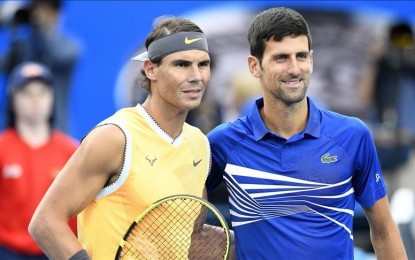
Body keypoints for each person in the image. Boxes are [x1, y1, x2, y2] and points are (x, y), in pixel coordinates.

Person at [206, 7, 408, 259]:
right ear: (254, 66)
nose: (294, 69)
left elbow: (385, 232)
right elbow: (185, 225)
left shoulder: (353, 135)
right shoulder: (222, 142)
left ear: (311, 60)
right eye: (281, 58)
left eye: (301, 56)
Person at [28, 17, 213, 259]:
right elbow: (45, 223)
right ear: (151, 69)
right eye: (181, 64)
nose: (196, 76)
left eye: (203, 64)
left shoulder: (200, 144)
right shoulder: (114, 137)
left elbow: (193, 238)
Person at [0, 61, 77, 259]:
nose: (35, 100)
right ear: (13, 99)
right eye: (27, 93)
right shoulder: (2, 148)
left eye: (42, 93)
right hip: (7, 252)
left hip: (55, 253)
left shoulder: (71, 151)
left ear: (52, 98)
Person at [0, 0, 80, 133]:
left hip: (54, 132)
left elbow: (56, 54)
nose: (39, 16)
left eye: (45, 10)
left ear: (57, 14)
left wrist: (42, 29)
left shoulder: (70, 47)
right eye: (36, 10)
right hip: (15, 133)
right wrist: (10, 26)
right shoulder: (21, 47)